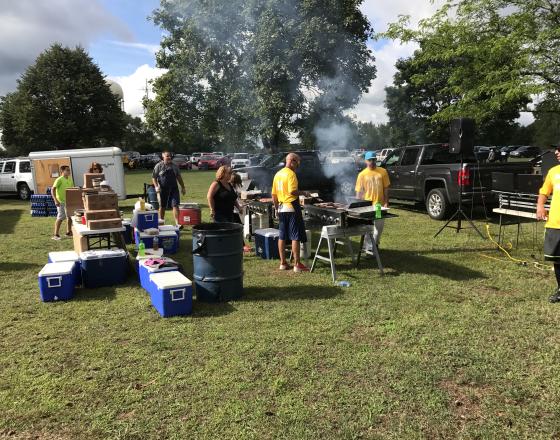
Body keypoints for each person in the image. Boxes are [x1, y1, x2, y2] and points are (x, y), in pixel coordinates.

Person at [271, 153, 310, 272]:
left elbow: (274, 194)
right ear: (292, 161)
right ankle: (297, 264)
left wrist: (276, 208)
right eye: (297, 162)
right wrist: (304, 193)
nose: (298, 165)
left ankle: (283, 263)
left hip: (282, 207)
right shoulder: (291, 174)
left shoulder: (278, 174)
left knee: (282, 236)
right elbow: (293, 191)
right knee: (295, 236)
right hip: (291, 207)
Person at [537, 144, 560, 302]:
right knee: (558, 261)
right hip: (555, 224)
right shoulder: (553, 172)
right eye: (557, 149)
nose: (557, 152)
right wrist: (540, 206)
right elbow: (544, 192)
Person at [354, 151, 390, 251]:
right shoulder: (362, 174)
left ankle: (375, 244)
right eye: (370, 160)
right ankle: (369, 248)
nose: (372, 162)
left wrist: (386, 202)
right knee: (368, 227)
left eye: (374, 159)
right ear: (366, 161)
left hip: (379, 205)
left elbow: (386, 188)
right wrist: (358, 206)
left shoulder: (383, 171)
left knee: (378, 228)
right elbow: (359, 191)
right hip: (367, 207)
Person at [152, 151, 186, 227]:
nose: (169, 157)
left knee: (175, 205)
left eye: (170, 156)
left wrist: (183, 187)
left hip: (174, 189)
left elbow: (179, 177)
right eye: (167, 156)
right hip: (163, 189)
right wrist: (156, 187)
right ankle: (161, 223)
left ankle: (177, 223)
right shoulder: (158, 166)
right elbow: (154, 177)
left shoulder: (175, 166)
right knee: (162, 206)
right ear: (163, 157)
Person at [51, 165, 74, 240]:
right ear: (62, 171)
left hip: (68, 201)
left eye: (69, 170)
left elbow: (71, 190)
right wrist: (55, 200)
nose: (69, 171)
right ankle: (56, 235)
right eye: (67, 170)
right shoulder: (59, 179)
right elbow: (53, 190)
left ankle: (68, 232)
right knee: (61, 217)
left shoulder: (70, 179)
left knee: (70, 216)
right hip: (60, 201)